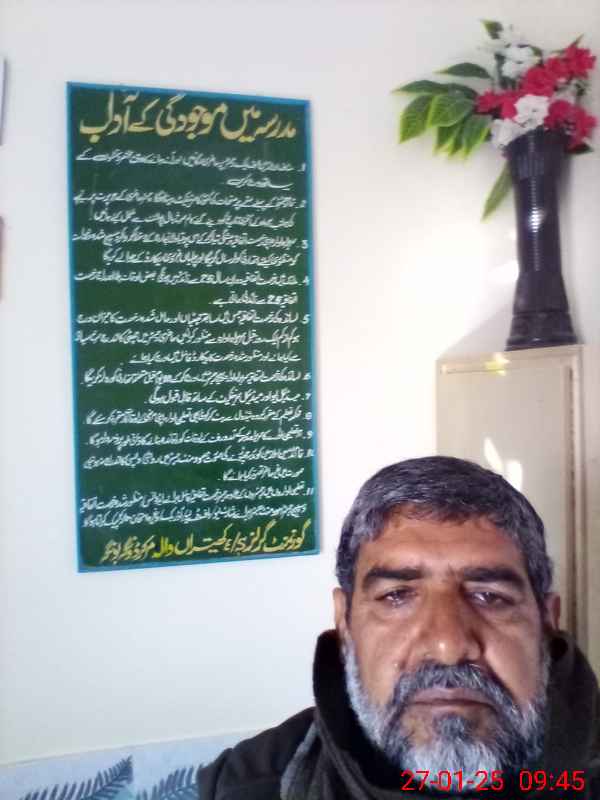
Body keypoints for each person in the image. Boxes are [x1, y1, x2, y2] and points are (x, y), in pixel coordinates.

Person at [197, 456, 600, 799]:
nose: (446, 647)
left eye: (489, 596)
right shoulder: (248, 785)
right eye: (396, 596)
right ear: (345, 624)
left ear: (547, 622)